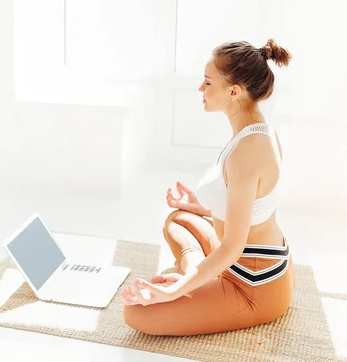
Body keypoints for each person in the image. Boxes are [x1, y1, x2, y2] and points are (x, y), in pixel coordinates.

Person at [122, 39, 295, 336]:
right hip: (245, 258)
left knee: (136, 313)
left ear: (234, 91)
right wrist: (200, 207)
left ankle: (191, 274)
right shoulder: (254, 131)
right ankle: (194, 270)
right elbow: (253, 204)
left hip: (253, 284)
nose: (201, 90)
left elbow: (232, 247)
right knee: (179, 219)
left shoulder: (249, 150)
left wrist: (176, 290)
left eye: (207, 82)